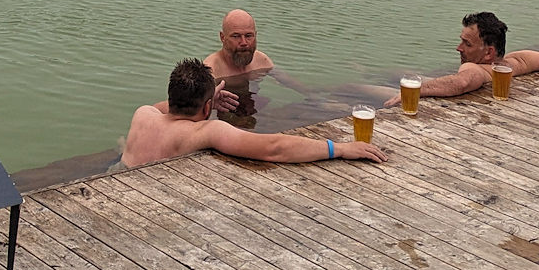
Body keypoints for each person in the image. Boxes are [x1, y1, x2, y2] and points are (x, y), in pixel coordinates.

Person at [123, 59, 388, 168]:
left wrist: (209, 100)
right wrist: (339, 149)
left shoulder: (142, 114)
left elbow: (165, 108)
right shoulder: (205, 131)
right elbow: (274, 148)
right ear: (206, 107)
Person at [386, 12, 539, 105]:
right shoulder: (519, 61)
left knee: (386, 91)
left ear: (489, 53)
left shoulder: (476, 69)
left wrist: (416, 91)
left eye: (467, 44)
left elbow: (462, 82)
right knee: (394, 75)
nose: (459, 48)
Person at [192, 9, 310, 120]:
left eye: (248, 36)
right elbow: (195, 108)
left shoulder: (261, 60)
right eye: (236, 36)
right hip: (225, 118)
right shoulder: (210, 70)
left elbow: (290, 83)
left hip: (252, 108)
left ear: (255, 35)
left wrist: (314, 96)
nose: (244, 43)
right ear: (222, 37)